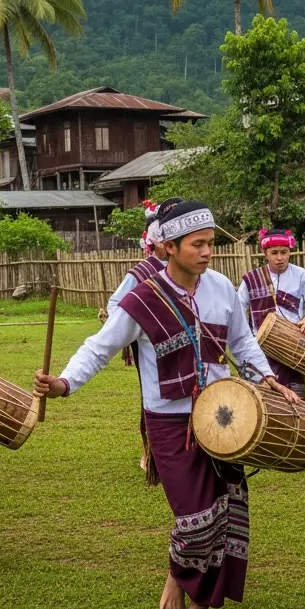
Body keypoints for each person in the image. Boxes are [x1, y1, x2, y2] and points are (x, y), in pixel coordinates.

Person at [34, 200, 299, 609]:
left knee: (227, 515)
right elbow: (99, 348)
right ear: (169, 246)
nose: (207, 252)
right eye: (197, 244)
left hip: (224, 416)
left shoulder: (221, 289)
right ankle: (179, 572)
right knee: (196, 518)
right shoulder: (142, 300)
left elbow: (243, 343)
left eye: (211, 243)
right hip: (170, 422)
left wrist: (268, 378)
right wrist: (63, 383)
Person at [102, 197, 182, 473]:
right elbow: (116, 305)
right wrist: (136, 327)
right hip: (152, 348)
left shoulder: (189, 268)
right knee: (152, 398)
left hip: (185, 347)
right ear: (155, 238)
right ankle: (152, 455)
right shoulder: (143, 272)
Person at [237, 228, 305, 399]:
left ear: (290, 252)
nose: (280, 258)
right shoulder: (251, 279)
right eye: (274, 252)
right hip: (260, 347)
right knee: (262, 399)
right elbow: (238, 310)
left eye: (284, 252)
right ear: (265, 253)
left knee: (295, 399)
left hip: (292, 346)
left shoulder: (300, 275)